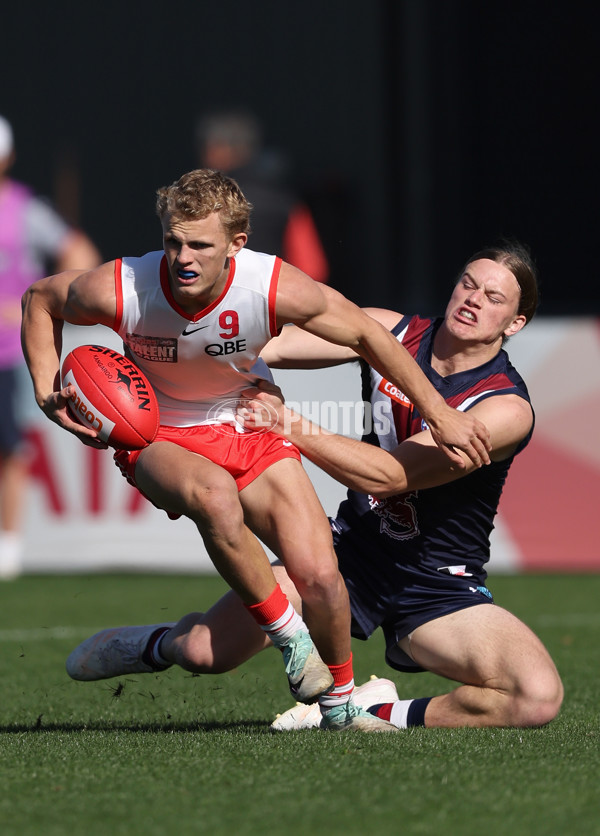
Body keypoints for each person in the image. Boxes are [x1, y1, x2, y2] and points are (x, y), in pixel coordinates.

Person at [21, 168, 491, 732]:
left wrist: (439, 414)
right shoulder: (123, 287)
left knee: (320, 575)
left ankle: (339, 704)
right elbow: (39, 298)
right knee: (214, 496)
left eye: (200, 244)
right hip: (157, 433)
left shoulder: (273, 287)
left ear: (236, 246)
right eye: (173, 241)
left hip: (246, 421)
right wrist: (50, 394)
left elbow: (369, 334)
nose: (183, 258)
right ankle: (292, 642)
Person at [0, 114, 100, 579]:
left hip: (5, 350)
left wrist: (36, 300)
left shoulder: (24, 210)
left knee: (8, 449)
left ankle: (8, 546)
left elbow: (79, 255)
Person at [196, 109, 329, 283]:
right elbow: (312, 268)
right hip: (271, 301)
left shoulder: (200, 201)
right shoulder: (285, 201)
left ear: (220, 150)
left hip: (214, 304)